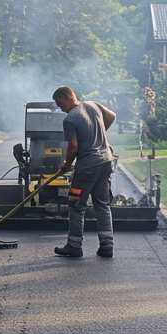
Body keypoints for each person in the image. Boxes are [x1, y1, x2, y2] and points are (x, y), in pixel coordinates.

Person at [53, 86, 117, 259]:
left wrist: (67, 164)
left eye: (60, 104)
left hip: (87, 168)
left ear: (67, 97)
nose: (60, 108)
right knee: (102, 203)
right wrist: (100, 136)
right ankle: (107, 246)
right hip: (106, 162)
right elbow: (112, 116)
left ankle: (74, 246)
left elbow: (73, 146)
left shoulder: (70, 119)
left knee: (76, 204)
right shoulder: (93, 105)